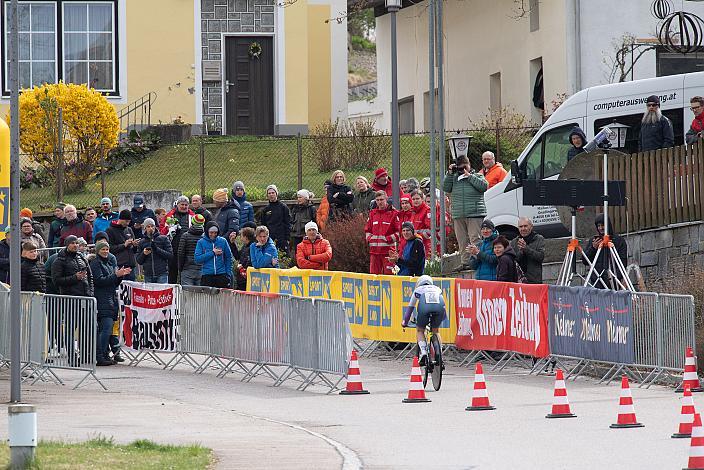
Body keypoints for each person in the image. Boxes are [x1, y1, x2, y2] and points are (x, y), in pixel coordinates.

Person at [51, 235, 94, 366]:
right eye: (72, 243)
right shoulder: (59, 260)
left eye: (76, 243)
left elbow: (90, 277)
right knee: (70, 329)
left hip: (85, 298)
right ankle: (72, 356)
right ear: (67, 244)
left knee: (86, 328)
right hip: (70, 298)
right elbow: (56, 281)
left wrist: (91, 293)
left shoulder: (82, 258)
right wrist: (75, 277)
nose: (75, 245)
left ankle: (85, 354)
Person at [90, 240, 131, 366]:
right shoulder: (95, 264)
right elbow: (99, 281)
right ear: (98, 250)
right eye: (103, 249)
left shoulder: (109, 263)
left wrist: (120, 276)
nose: (105, 251)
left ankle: (104, 354)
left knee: (106, 328)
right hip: (102, 299)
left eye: (107, 249)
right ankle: (100, 355)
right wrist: (115, 275)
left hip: (110, 299)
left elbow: (113, 282)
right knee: (106, 328)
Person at [443, 155, 489, 267]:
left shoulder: (477, 175)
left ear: (469, 165)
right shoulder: (454, 178)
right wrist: (449, 173)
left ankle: (477, 261)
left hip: (475, 213)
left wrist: (469, 176)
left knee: (475, 238)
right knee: (462, 240)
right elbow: (446, 188)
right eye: (460, 168)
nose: (462, 170)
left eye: (464, 167)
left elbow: (484, 186)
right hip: (458, 214)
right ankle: (465, 263)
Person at [401, 275, 446, 366]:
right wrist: (442, 318)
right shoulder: (437, 289)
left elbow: (410, 308)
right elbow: (443, 309)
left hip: (425, 309)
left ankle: (424, 353)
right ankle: (439, 354)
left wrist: (405, 322)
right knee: (435, 331)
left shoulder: (418, 290)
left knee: (420, 330)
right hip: (439, 309)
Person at [583, 213, 628, 289]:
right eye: (598, 226)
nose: (600, 228)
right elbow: (585, 261)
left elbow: (622, 263)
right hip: (597, 282)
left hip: (613, 283)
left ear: (607, 225)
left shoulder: (619, 241)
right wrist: (593, 248)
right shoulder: (594, 241)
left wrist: (614, 279)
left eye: (602, 225)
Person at [364, 191, 400, 275]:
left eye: (381, 199)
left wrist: (387, 239)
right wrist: (370, 239)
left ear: (386, 199)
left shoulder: (394, 213)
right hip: (374, 252)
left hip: (389, 252)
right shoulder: (373, 214)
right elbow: (367, 230)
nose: (379, 202)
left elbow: (399, 232)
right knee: (373, 276)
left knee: (390, 276)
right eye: (377, 200)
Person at [161, 196, 195, 283]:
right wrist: (169, 228)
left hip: (188, 250)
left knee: (186, 273)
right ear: (177, 205)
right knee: (172, 273)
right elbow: (162, 232)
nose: (184, 207)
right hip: (173, 249)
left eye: (186, 205)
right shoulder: (170, 216)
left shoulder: (193, 216)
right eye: (182, 205)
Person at [195, 222, 233, 288]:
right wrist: (212, 253)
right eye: (211, 232)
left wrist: (228, 273)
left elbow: (228, 257)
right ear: (207, 232)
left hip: (221, 275)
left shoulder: (223, 241)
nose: (213, 235)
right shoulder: (201, 242)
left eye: (215, 232)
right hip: (207, 275)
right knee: (207, 297)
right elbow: (197, 259)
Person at [136, 218, 173, 283]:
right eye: (148, 226)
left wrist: (156, 249)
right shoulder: (142, 242)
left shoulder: (163, 238)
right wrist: (144, 254)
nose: (151, 228)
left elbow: (170, 255)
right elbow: (139, 261)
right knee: (149, 293)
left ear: (155, 227)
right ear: (145, 228)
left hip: (161, 273)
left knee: (162, 292)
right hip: (148, 274)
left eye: (152, 226)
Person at [509, 217, 545, 284]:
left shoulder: (539, 239)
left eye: (525, 226)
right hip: (518, 280)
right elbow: (513, 261)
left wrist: (526, 249)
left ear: (531, 227)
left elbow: (540, 257)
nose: (523, 229)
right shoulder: (514, 242)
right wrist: (521, 251)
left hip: (534, 280)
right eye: (520, 226)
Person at [106, 210, 137, 281]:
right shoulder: (110, 230)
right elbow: (110, 249)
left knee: (132, 290)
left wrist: (135, 245)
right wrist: (124, 245)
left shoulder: (129, 229)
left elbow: (134, 250)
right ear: (120, 219)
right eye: (126, 221)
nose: (128, 223)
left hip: (131, 266)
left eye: (129, 221)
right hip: (119, 265)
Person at [261, 184, 291, 252]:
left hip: (282, 238)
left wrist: (287, 238)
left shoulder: (283, 207)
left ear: (276, 194)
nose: (271, 195)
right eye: (269, 193)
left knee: (285, 258)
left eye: (273, 193)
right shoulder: (265, 209)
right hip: (270, 238)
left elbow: (288, 223)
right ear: (267, 195)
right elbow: (263, 225)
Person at [177, 214, 205, 286]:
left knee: (187, 294)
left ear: (192, 223)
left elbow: (180, 253)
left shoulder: (185, 235)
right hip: (202, 269)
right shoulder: (205, 237)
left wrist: (180, 268)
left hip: (187, 268)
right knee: (200, 295)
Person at [213, 188, 241, 257]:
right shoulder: (220, 210)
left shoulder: (232, 212)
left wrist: (220, 241)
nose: (214, 202)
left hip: (226, 246)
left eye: (215, 200)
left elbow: (233, 230)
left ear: (220, 201)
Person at [291, 189, 316, 260]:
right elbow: (292, 221)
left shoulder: (311, 208)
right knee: (298, 255)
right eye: (298, 197)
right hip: (296, 235)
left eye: (300, 197)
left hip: (306, 236)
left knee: (307, 254)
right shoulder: (295, 208)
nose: (298, 199)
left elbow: (315, 222)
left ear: (306, 198)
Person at [410, 190, 432, 258]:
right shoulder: (412, 211)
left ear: (422, 199)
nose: (415, 201)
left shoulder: (427, 210)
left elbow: (430, 231)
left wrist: (416, 236)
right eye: (413, 199)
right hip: (415, 244)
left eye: (417, 198)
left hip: (425, 245)